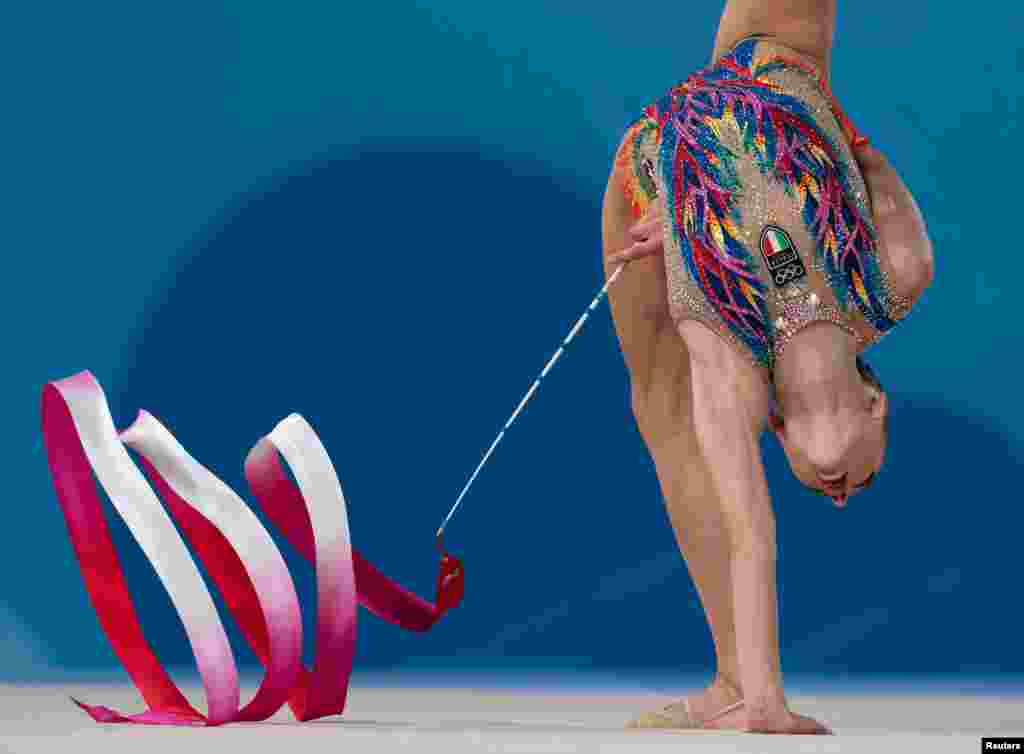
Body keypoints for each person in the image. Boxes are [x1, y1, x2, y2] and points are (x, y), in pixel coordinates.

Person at [601, 0, 934, 734]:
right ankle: (734, 683)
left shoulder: (734, 379)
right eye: (868, 477)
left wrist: (684, 197)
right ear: (878, 408)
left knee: (665, 408)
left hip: (658, 164)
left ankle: (734, 680)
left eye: (832, 495)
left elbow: (753, 530)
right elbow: (870, 162)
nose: (844, 497)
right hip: (772, 66)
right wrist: (777, 154)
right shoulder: (893, 284)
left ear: (779, 438)